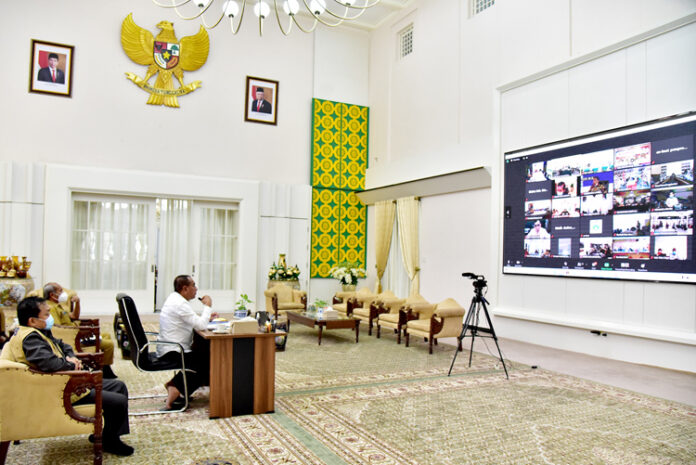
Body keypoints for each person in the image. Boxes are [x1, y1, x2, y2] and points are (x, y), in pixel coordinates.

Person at [4, 297, 133, 456]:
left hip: (66, 382)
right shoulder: (31, 338)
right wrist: (71, 365)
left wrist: (71, 358)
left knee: (119, 386)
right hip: (60, 391)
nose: (50, 317)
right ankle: (110, 442)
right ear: (32, 320)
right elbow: (50, 364)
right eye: (46, 314)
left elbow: (64, 346)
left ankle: (109, 435)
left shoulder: (38, 331)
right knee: (118, 401)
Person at [157, 275, 218, 410]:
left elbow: (192, 321)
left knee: (205, 354)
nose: (196, 289)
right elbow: (201, 325)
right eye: (193, 285)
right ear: (185, 288)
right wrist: (207, 307)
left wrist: (206, 317)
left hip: (170, 347)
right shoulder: (180, 304)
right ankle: (175, 387)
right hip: (173, 351)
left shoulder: (175, 299)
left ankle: (176, 386)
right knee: (207, 361)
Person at [43, 282, 118, 379]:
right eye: (60, 291)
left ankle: (105, 366)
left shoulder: (59, 305)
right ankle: (106, 371)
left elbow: (74, 316)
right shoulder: (51, 308)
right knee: (109, 345)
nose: (63, 293)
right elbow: (57, 328)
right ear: (52, 295)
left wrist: (77, 303)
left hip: (76, 333)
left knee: (106, 335)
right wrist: (82, 331)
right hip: (72, 338)